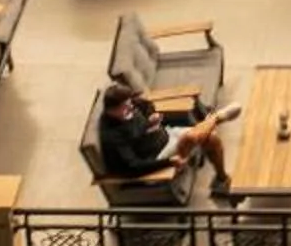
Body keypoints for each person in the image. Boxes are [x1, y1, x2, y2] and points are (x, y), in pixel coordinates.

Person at [97, 83, 238, 195]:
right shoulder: (112, 136)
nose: (131, 108)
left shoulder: (127, 105)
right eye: (125, 108)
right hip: (156, 159)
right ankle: (215, 118)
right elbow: (134, 166)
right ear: (112, 110)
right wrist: (168, 162)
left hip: (166, 135)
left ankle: (221, 180)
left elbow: (145, 104)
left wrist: (151, 117)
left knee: (212, 140)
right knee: (189, 139)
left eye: (130, 104)